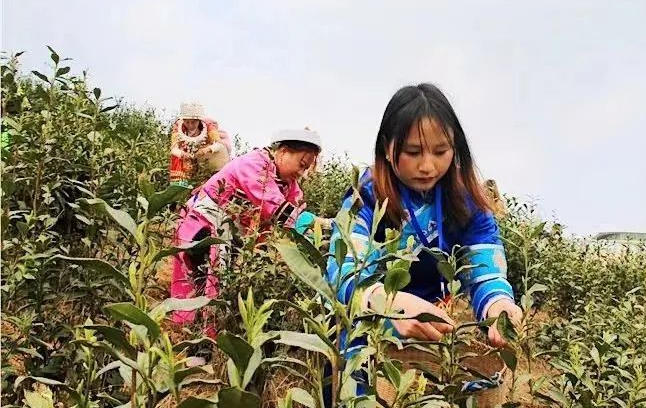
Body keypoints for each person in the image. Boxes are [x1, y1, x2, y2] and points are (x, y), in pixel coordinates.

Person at [325, 83, 522, 351]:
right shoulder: (367, 197)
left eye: (441, 152)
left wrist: (499, 305)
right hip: (371, 321)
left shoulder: (468, 203)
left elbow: (486, 272)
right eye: (413, 152)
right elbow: (344, 271)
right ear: (386, 147)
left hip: (433, 325)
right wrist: (387, 302)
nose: (428, 166)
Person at [170, 128, 327, 331]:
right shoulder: (254, 163)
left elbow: (287, 224)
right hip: (202, 224)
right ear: (284, 151)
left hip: (232, 236)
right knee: (199, 279)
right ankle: (190, 335)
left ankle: (210, 334)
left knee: (221, 283)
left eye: (306, 169)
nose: (301, 172)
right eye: (302, 164)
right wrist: (320, 223)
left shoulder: (291, 188)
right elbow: (277, 209)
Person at [169, 102, 232, 187]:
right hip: (188, 157)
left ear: (199, 121)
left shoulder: (208, 125)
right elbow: (174, 148)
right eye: (187, 122)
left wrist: (206, 150)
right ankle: (180, 186)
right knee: (176, 157)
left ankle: (218, 180)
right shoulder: (178, 127)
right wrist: (182, 154)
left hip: (207, 156)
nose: (190, 125)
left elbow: (219, 145)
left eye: (193, 122)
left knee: (219, 152)